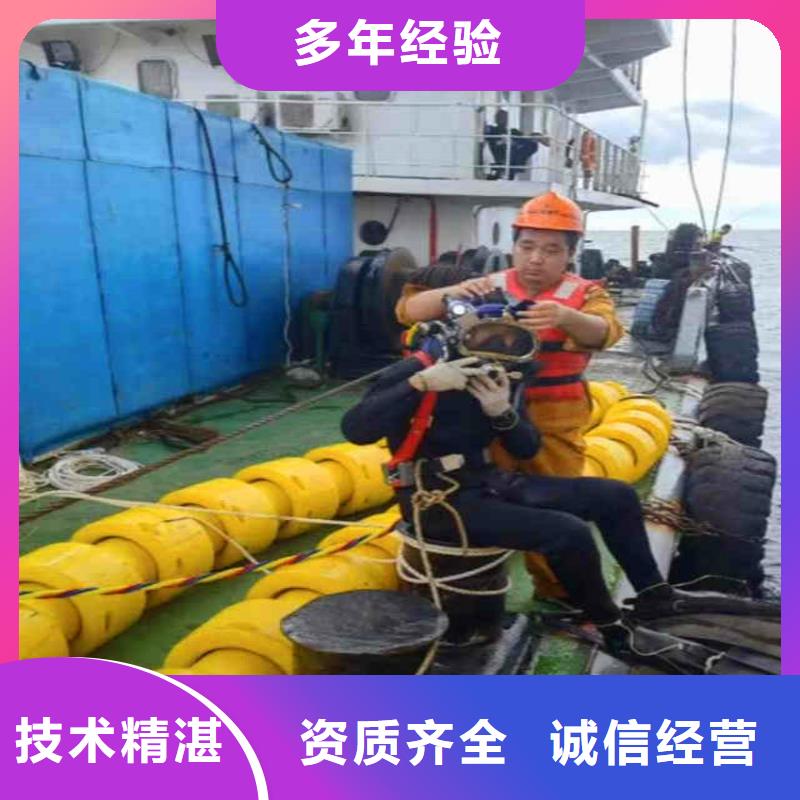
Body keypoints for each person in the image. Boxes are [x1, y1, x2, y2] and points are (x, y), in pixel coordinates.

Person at [340, 325, 699, 662]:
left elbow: (526, 448)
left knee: (616, 496)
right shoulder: (419, 369)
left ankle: (654, 595)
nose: (497, 352)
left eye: (511, 343)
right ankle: (611, 626)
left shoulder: (506, 375)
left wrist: (502, 412)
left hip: (488, 481)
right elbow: (356, 429)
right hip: (436, 499)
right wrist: (419, 384)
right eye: (487, 337)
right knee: (566, 533)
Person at [396, 191, 623, 479]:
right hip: (485, 410)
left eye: (552, 250)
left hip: (555, 416)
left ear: (570, 254)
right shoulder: (485, 285)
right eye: (527, 247)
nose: (536, 259)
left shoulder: (589, 294)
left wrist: (566, 317)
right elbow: (408, 312)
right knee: (487, 483)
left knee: (559, 487)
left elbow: (606, 332)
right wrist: (454, 292)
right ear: (514, 246)